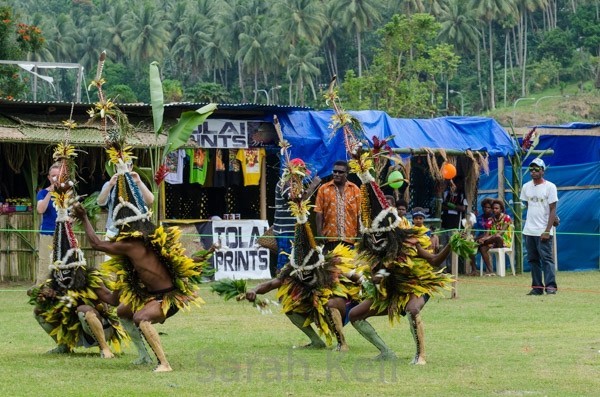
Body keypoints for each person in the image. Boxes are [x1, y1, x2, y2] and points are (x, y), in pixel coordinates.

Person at [246, 158, 360, 351]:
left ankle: (342, 338)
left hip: (341, 255)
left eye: (341, 172)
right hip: (293, 236)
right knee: (288, 301)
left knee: (334, 299)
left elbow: (351, 275)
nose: (337, 174)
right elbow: (275, 282)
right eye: (301, 174)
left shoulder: (321, 260)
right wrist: (255, 290)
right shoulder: (295, 263)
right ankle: (317, 339)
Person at [520, 158, 558, 295]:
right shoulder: (526, 187)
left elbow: (553, 209)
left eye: (537, 169)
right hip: (529, 230)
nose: (533, 171)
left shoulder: (550, 187)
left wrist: (547, 230)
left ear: (542, 171)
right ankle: (537, 287)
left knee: (547, 259)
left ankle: (551, 287)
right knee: (533, 259)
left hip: (543, 231)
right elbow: (528, 205)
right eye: (531, 169)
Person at [97, 164, 154, 239]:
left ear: (131, 167)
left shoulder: (137, 184)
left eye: (127, 166)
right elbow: (100, 202)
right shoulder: (110, 183)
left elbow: (150, 201)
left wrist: (139, 182)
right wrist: (110, 185)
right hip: (114, 231)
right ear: (116, 167)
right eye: (120, 166)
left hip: (136, 231)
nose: (124, 168)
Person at [315, 160, 361, 253]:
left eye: (340, 172)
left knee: (350, 266)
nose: (336, 174)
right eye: (334, 171)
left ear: (347, 173)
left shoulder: (355, 189)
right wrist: (319, 233)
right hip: (330, 239)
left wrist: (360, 235)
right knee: (328, 266)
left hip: (349, 239)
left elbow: (359, 214)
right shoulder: (324, 189)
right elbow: (319, 212)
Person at [35, 162, 61, 284]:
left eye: (58, 175)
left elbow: (74, 212)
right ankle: (41, 293)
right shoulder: (43, 193)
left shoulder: (68, 192)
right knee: (45, 263)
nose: (55, 178)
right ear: (49, 177)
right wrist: (51, 192)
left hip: (64, 234)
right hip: (48, 233)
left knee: (64, 263)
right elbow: (40, 210)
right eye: (53, 175)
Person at [477, 199, 513, 275]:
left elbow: (501, 232)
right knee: (482, 248)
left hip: (503, 241)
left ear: (501, 209)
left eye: (496, 208)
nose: (494, 210)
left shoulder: (507, 218)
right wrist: (485, 238)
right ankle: (491, 271)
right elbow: (487, 234)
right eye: (493, 208)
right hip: (492, 242)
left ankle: (478, 243)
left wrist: (484, 239)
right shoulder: (490, 220)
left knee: (497, 236)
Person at [440, 176, 468, 272]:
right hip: (444, 223)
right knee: (443, 245)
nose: (457, 186)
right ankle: (443, 269)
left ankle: (453, 269)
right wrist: (454, 207)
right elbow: (442, 206)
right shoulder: (445, 194)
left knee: (453, 246)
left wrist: (450, 205)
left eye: (459, 184)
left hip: (455, 223)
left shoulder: (462, 195)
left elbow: (463, 208)